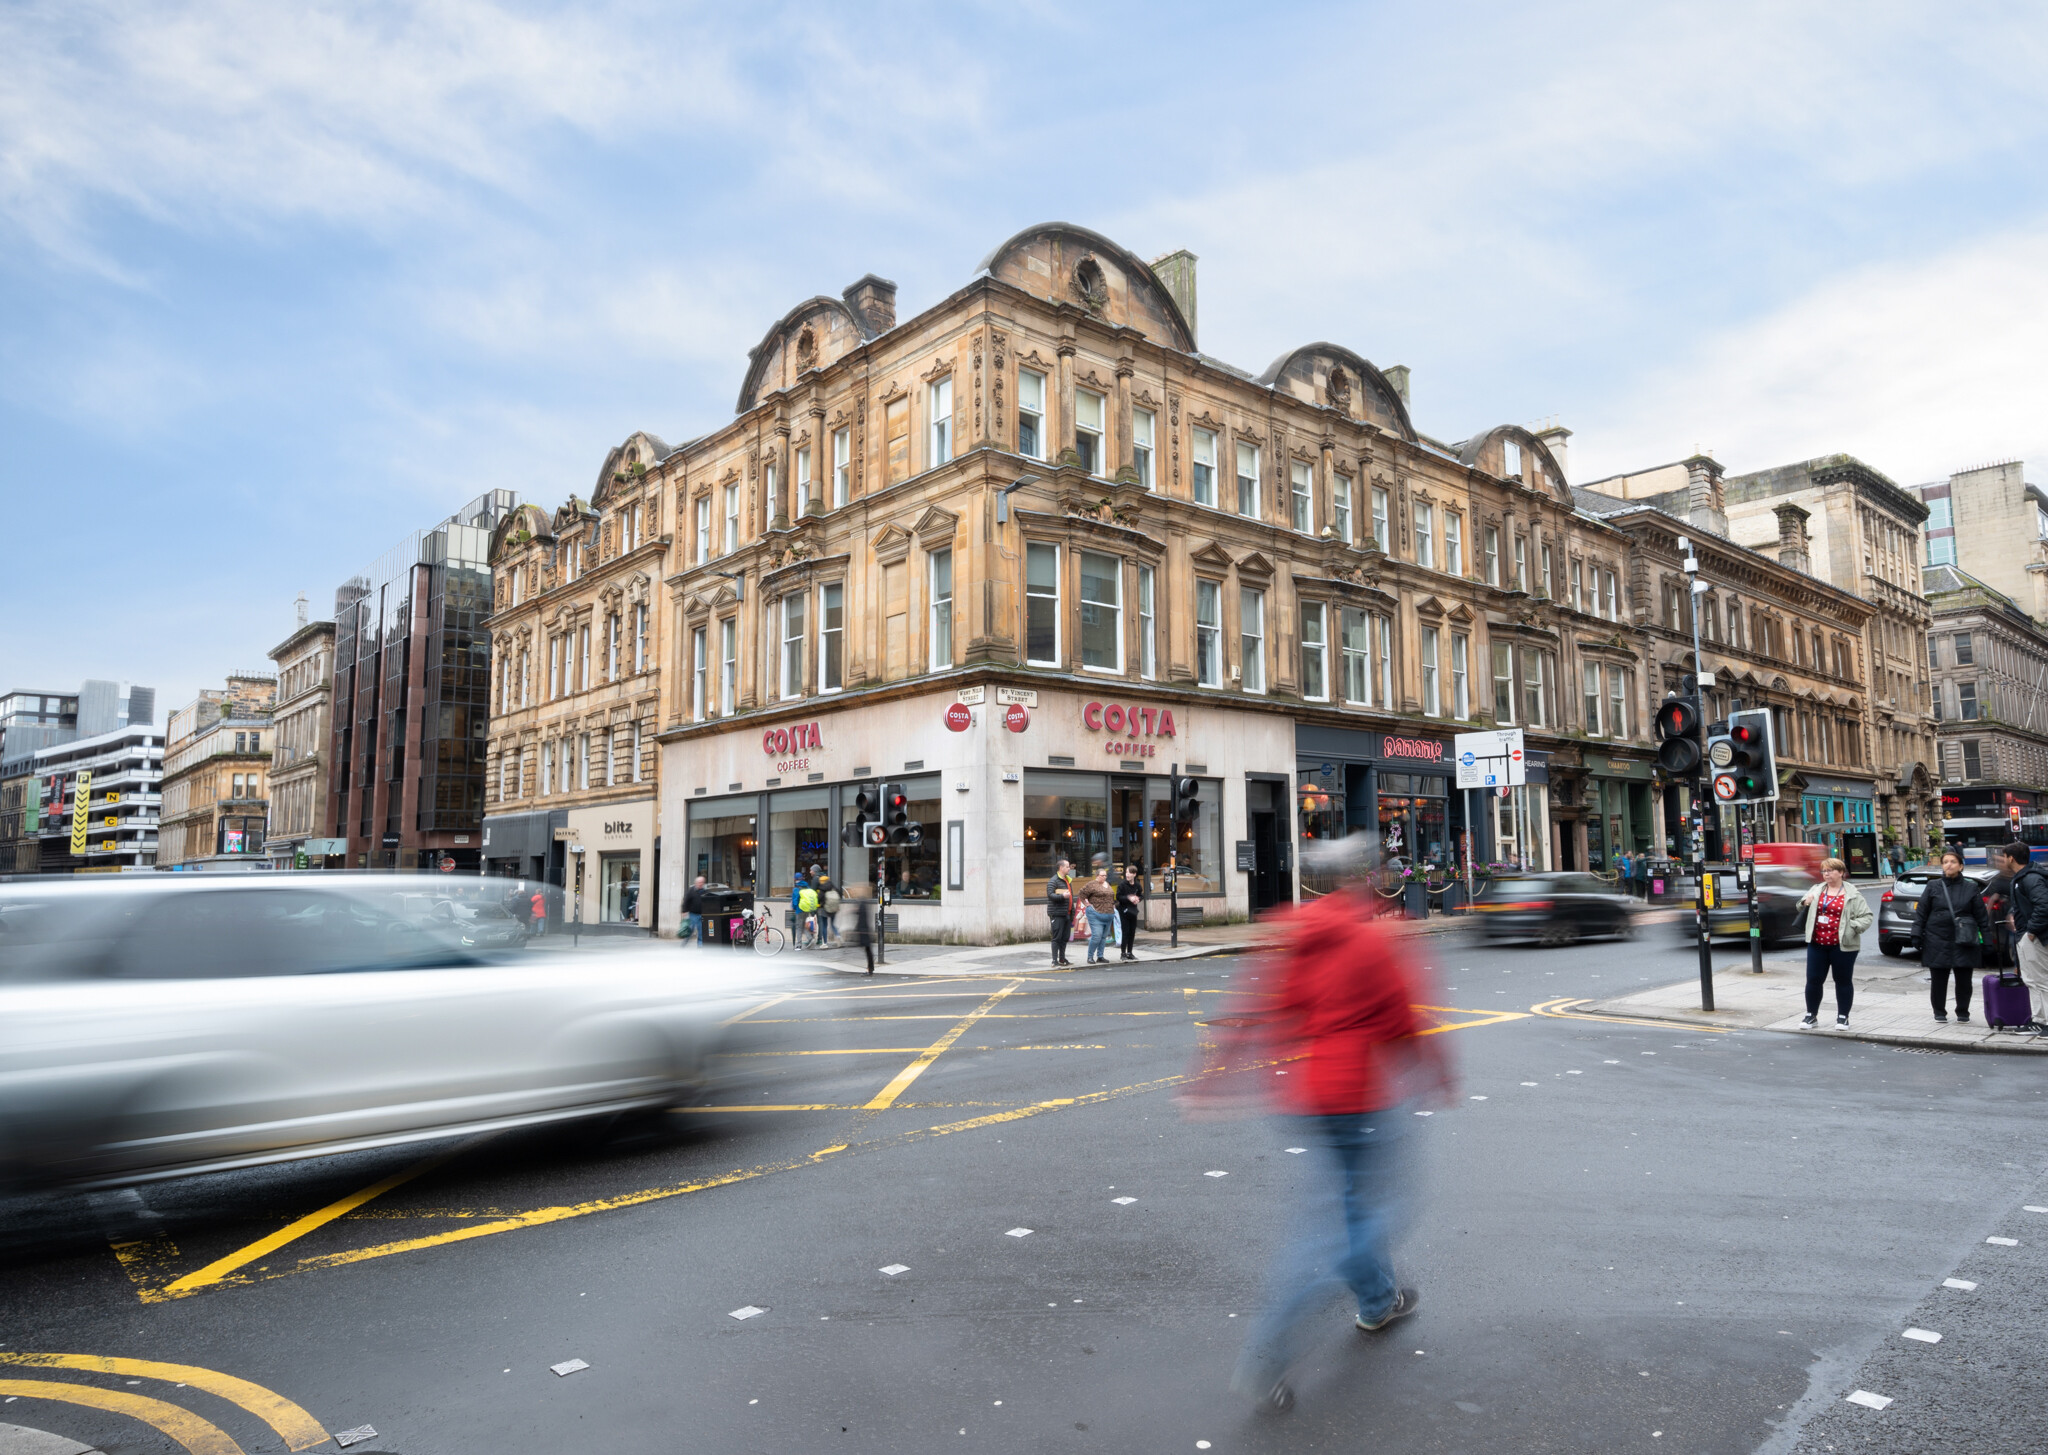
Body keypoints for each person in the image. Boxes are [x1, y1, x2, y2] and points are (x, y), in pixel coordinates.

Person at [1194, 834, 1454, 1414]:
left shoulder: (1295, 935)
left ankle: (1378, 1300)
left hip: (1307, 1096)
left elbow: (1252, 1012)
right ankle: (1267, 1355)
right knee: (1365, 1220)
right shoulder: (1370, 939)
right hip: (1362, 1096)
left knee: (1351, 1207)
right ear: (1361, 879)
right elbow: (1404, 1020)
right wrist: (1437, 1075)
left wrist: (1210, 1078)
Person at [1914, 849, 1990, 1022]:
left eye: (1953, 862)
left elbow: (1981, 917)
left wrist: (1986, 940)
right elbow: (1922, 912)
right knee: (1938, 979)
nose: (1949, 864)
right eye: (1945, 861)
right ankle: (1939, 1011)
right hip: (1936, 938)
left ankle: (1963, 1011)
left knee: (1964, 979)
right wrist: (1916, 934)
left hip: (1963, 939)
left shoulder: (1971, 888)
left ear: (1961, 866)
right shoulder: (1933, 886)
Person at [1796, 857, 1872, 1028]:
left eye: (1830, 870)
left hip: (1843, 945)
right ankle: (1811, 1015)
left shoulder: (1853, 894)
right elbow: (1799, 906)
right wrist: (1804, 902)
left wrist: (1852, 927)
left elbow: (1867, 917)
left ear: (1841, 873)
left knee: (1843, 980)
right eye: (1824, 871)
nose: (1826, 874)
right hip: (1817, 943)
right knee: (1813, 980)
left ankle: (1843, 1017)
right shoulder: (1816, 889)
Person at [2004, 840, 2048, 1019]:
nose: (2004, 860)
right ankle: (2039, 1020)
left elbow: (2044, 905)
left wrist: (2031, 931)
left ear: (2011, 858)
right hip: (2028, 934)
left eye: (2005, 856)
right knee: (2032, 980)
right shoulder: (2025, 877)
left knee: (2040, 981)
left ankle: (2045, 1023)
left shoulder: (2030, 878)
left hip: (2034, 937)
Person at [1079, 854, 1118, 964]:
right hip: (1096, 914)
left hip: (1108, 914)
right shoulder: (1092, 884)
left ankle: (1100, 956)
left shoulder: (1108, 884)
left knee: (1103, 937)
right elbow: (1082, 893)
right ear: (1097, 876)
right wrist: (1086, 904)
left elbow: (1110, 896)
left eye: (1105, 875)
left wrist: (1113, 904)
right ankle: (1090, 957)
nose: (1104, 877)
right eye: (1102, 875)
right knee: (1096, 936)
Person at [1045, 858, 1075, 967]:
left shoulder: (1067, 880)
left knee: (1065, 937)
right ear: (1061, 868)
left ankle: (1062, 958)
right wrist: (1062, 896)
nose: (1069, 868)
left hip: (1067, 914)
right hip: (1057, 914)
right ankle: (1054, 960)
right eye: (1067, 867)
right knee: (1057, 937)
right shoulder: (1054, 880)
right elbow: (1050, 895)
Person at [1114, 863, 1145, 962]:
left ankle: (1130, 952)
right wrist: (1128, 898)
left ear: (1134, 874)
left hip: (1133, 910)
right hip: (1123, 910)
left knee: (1132, 932)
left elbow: (1141, 895)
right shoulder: (1122, 885)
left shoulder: (1137, 885)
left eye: (1129, 873)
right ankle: (1123, 953)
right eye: (1126, 872)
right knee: (1125, 932)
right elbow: (1118, 897)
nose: (1127, 874)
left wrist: (1138, 899)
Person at [682, 874, 710, 947]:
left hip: (702, 914)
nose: (701, 884)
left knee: (701, 930)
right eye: (699, 882)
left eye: (702, 882)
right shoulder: (691, 891)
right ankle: (685, 942)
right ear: (696, 883)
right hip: (693, 914)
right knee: (690, 930)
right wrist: (684, 911)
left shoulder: (705, 892)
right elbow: (686, 901)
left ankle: (700, 945)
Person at [817, 873, 841, 945]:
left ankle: (825, 943)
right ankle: (838, 935)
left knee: (824, 925)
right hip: (834, 908)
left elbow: (818, 899)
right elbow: (840, 894)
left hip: (824, 908)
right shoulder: (833, 887)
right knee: (832, 924)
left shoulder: (822, 889)